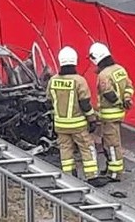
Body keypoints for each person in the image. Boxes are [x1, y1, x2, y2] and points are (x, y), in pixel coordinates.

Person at [46, 46, 102, 185]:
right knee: (86, 148)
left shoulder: (53, 80)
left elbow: (48, 101)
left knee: (65, 151)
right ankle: (92, 176)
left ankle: (69, 176)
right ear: (75, 61)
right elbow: (85, 104)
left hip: (60, 125)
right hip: (78, 125)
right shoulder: (79, 80)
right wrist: (92, 119)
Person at [88, 42, 134, 182]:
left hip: (109, 115)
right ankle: (110, 167)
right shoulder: (119, 69)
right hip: (118, 114)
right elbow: (129, 87)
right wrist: (126, 98)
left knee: (112, 144)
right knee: (109, 142)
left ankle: (114, 173)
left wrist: (118, 103)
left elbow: (108, 93)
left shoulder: (104, 75)